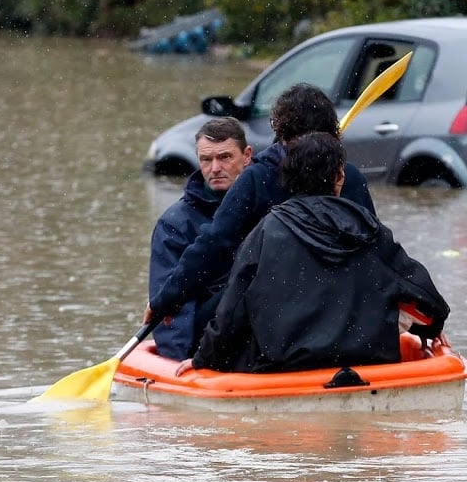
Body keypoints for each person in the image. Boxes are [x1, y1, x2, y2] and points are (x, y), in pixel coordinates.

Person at [177, 132, 449, 374]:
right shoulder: (371, 230)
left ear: (287, 180)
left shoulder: (265, 232)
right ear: (339, 178)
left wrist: (204, 359)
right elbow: (428, 300)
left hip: (284, 367)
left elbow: (231, 311)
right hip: (366, 362)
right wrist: (431, 329)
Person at [144, 82, 376, 332]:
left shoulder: (257, 178)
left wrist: (167, 299)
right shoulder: (349, 176)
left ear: (281, 132)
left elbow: (214, 243)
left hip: (272, 311)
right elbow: (376, 249)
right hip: (339, 308)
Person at [148, 117, 252, 360]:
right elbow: (172, 311)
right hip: (210, 341)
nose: (214, 168)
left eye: (225, 157)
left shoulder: (268, 204)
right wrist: (181, 360)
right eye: (206, 160)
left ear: (247, 156)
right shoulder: (174, 224)